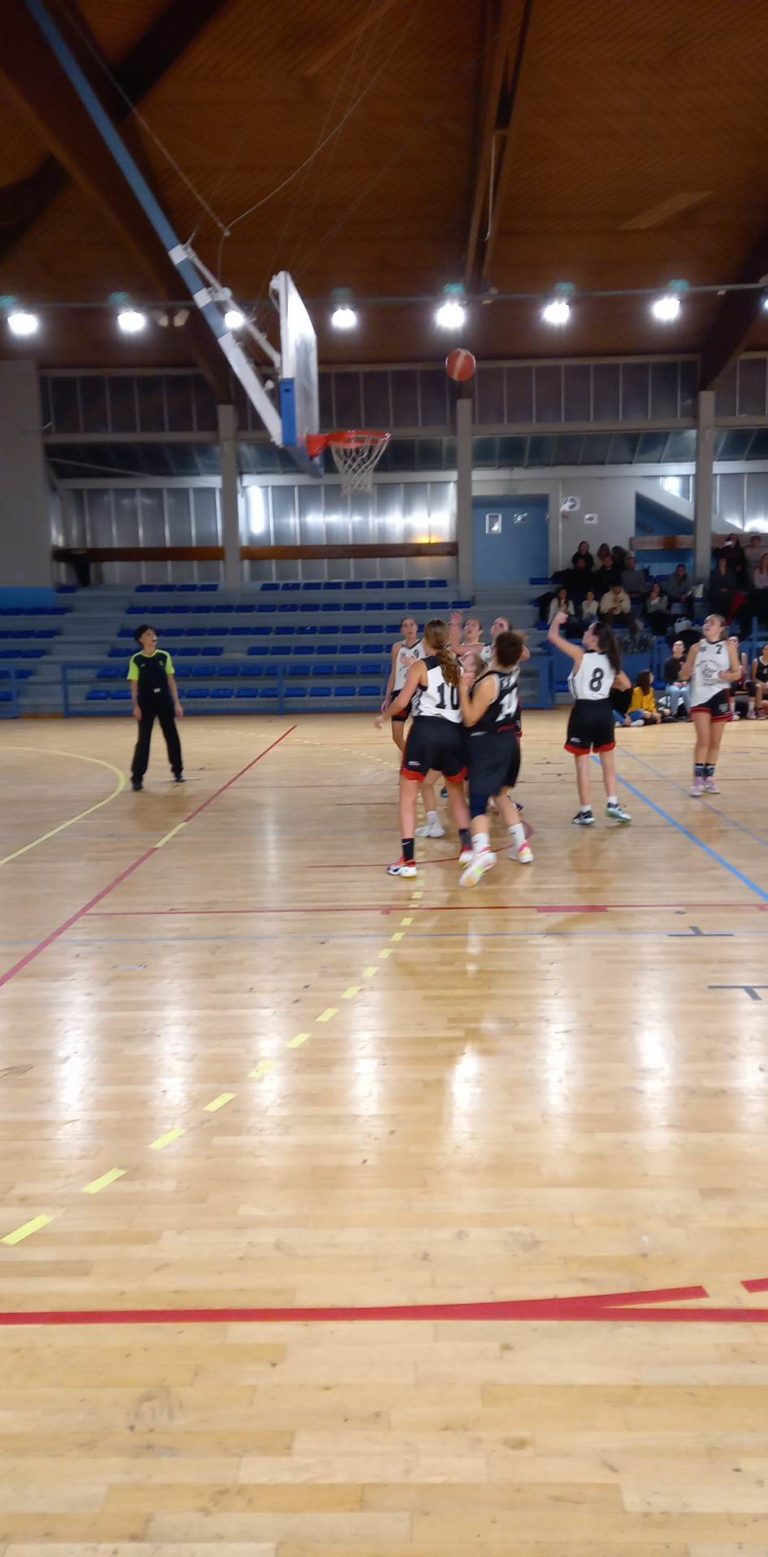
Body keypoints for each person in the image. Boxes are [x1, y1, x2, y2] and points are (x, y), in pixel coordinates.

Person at [376, 618, 472, 877]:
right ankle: (467, 848)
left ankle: (408, 861)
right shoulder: (458, 666)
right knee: (456, 793)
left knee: (407, 796)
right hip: (453, 733)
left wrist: (384, 716)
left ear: (427, 641)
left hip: (426, 731)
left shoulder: (420, 666)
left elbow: (401, 702)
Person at [457, 630, 533, 886]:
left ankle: (483, 852)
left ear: (497, 652)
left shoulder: (489, 682)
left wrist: (462, 688)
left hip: (489, 743)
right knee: (501, 795)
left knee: (478, 802)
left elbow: (470, 718)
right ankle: (522, 846)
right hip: (510, 742)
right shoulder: (512, 673)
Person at [548, 611, 632, 826]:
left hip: (583, 711)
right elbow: (626, 685)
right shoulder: (611, 660)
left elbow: (553, 637)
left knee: (583, 765)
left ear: (594, 638)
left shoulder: (580, 654)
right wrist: (608, 683)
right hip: (604, 711)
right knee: (608, 762)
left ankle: (586, 811)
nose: (584, 633)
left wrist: (556, 621)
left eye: (588, 631)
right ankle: (613, 803)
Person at [678, 614, 740, 796]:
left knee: (715, 741)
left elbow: (737, 673)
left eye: (712, 622)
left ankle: (709, 778)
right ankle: (697, 780)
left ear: (721, 628)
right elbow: (683, 676)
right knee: (703, 739)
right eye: (706, 622)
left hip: (720, 695)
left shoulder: (729, 646)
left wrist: (728, 676)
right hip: (700, 696)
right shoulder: (696, 648)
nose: (707, 624)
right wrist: (685, 671)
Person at [127, 625, 184, 792]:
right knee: (143, 739)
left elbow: (171, 680)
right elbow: (134, 686)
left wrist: (177, 703)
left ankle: (178, 771)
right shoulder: (136, 659)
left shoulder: (164, 656)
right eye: (148, 634)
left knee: (172, 736)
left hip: (163, 700)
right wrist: (136, 706)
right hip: (146, 702)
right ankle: (137, 777)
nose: (153, 637)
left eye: (153, 634)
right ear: (141, 639)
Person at [382, 616, 423, 755]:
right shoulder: (397, 647)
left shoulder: (425, 645)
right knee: (396, 736)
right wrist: (388, 697)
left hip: (418, 691)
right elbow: (394, 672)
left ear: (417, 627)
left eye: (411, 624)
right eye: (405, 625)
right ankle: (410, 758)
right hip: (399, 691)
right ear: (401, 630)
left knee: (422, 733)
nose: (409, 628)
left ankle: (420, 761)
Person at [664, 639, 692, 718]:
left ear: (683, 649)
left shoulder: (688, 659)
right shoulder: (668, 661)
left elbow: (692, 673)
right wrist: (674, 683)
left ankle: (690, 714)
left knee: (684, 691)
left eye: (680, 645)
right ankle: (674, 714)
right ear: (673, 649)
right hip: (673, 684)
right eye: (676, 645)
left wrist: (686, 680)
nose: (678, 646)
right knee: (675, 691)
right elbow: (666, 677)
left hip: (687, 683)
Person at [753, 643, 768, 717]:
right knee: (759, 686)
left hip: (767, 685)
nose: (767, 651)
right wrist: (762, 683)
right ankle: (760, 710)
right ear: (762, 650)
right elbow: (753, 678)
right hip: (758, 683)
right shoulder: (756, 661)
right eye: (766, 649)